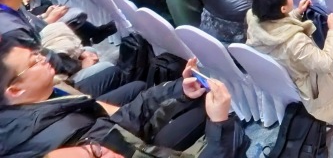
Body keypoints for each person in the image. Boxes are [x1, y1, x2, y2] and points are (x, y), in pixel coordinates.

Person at [0, 44, 246, 157]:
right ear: (14, 90)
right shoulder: (64, 142)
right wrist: (219, 126)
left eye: (37, 54)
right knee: (230, 128)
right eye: (33, 62)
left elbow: (120, 124)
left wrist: (177, 91)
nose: (43, 59)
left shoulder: (41, 114)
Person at [0, 0, 118, 89]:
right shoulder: (12, 31)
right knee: (109, 69)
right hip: (48, 84)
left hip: (49, 59)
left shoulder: (12, 6)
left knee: (89, 51)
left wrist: (79, 53)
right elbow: (45, 60)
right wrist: (80, 64)